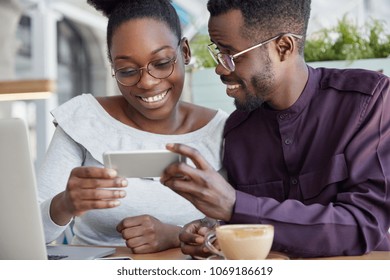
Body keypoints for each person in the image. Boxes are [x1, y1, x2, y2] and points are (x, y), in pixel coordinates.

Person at [160, 0, 390, 258]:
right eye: (218, 52)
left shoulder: (368, 102)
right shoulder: (238, 131)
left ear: (283, 47)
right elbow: (248, 225)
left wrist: (235, 205)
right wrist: (214, 230)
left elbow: (364, 224)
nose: (220, 68)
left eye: (231, 55)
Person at [37, 0, 228, 254]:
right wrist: (64, 204)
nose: (147, 83)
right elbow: (28, 232)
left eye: (161, 63)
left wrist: (175, 235)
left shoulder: (222, 131)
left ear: (184, 52)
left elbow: (245, 228)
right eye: (127, 70)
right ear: (113, 67)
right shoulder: (84, 120)